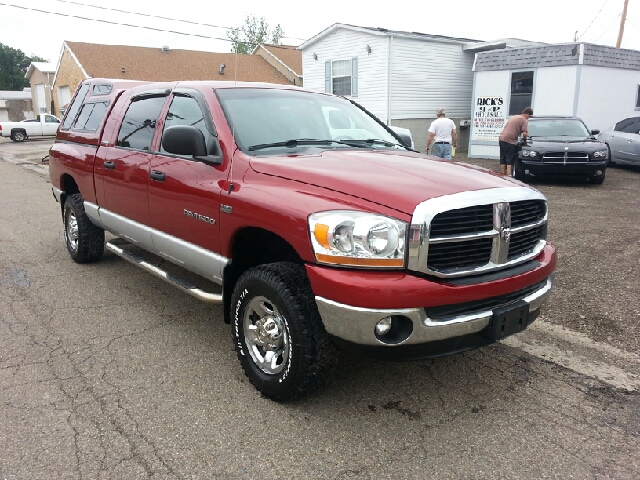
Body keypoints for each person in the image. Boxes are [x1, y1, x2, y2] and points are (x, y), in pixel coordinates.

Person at [499, 107, 533, 176]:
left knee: (503, 158)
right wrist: (525, 140)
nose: (528, 118)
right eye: (529, 116)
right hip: (510, 140)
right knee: (509, 159)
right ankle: (509, 176)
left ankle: (503, 175)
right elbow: (525, 133)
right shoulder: (524, 120)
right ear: (528, 114)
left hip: (501, 138)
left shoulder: (514, 117)